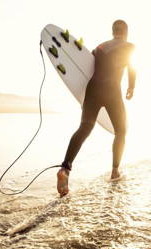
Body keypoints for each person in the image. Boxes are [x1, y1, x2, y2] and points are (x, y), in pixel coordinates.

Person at [57, 20, 136, 196]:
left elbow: (86, 66)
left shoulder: (99, 47)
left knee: (85, 127)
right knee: (121, 132)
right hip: (112, 91)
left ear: (113, 31)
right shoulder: (129, 46)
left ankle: (65, 168)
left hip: (92, 90)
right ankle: (115, 171)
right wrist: (131, 87)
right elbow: (132, 67)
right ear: (126, 31)